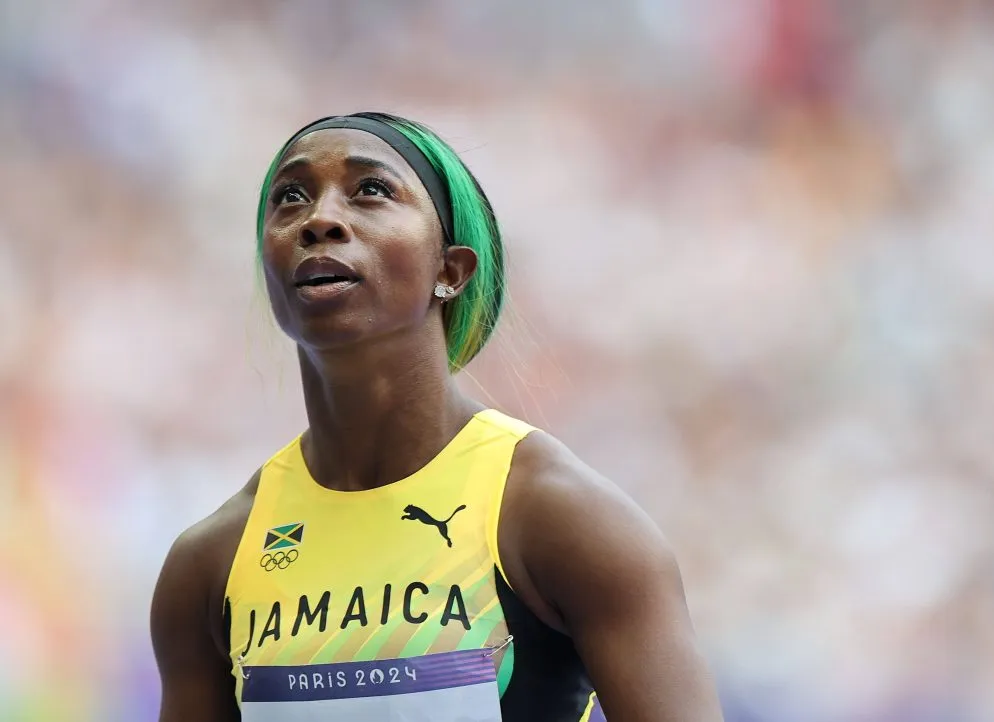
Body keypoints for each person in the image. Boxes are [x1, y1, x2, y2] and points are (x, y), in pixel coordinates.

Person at [150, 112, 724, 722]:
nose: (318, 219)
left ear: (450, 271)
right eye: (290, 197)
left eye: (371, 190)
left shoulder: (556, 517)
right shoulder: (212, 563)